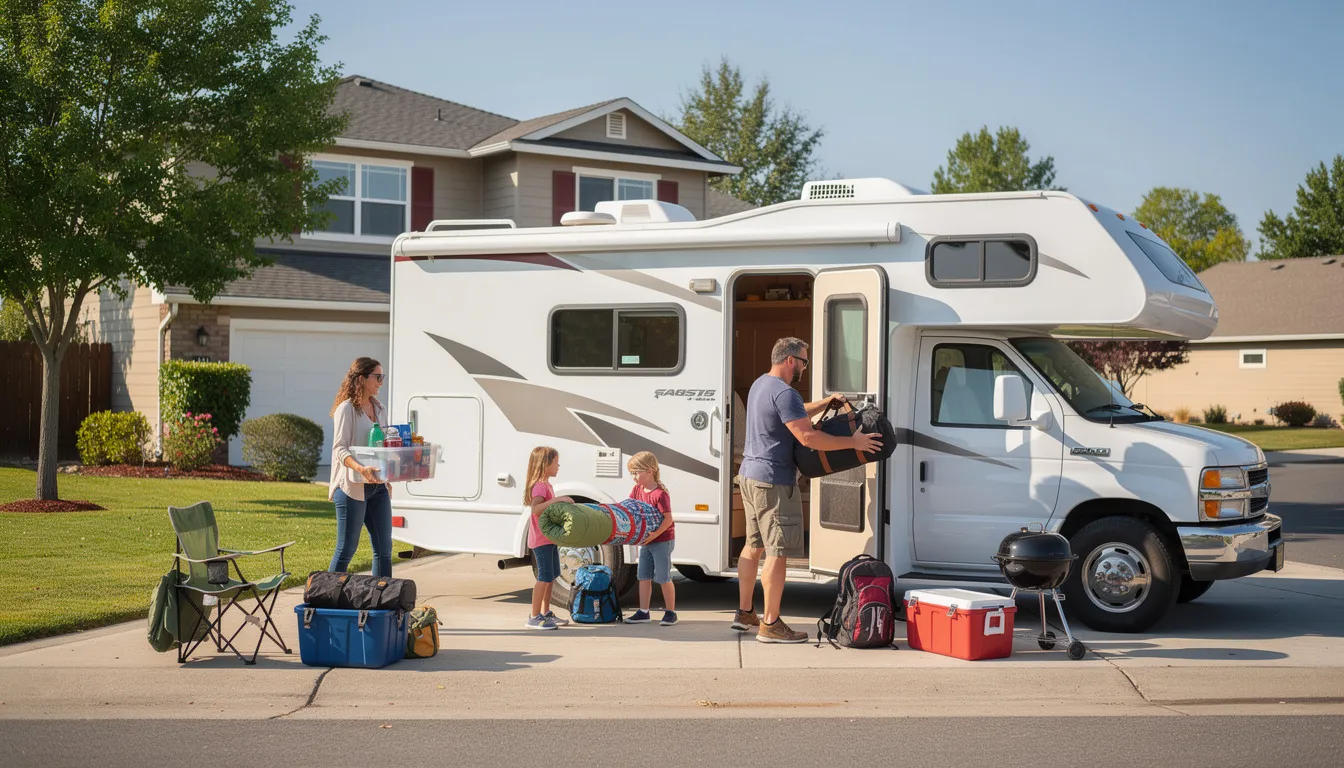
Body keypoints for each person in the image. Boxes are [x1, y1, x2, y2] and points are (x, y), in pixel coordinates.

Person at [733, 337, 882, 643]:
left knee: (753, 546)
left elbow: (794, 413)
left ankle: (746, 611)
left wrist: (825, 404)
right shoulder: (785, 392)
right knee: (777, 551)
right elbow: (807, 437)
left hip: (750, 475)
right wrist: (853, 443)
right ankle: (771, 624)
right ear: (790, 360)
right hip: (773, 481)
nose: (804, 366)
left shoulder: (763, 384)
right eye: (803, 361)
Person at [328, 357, 394, 578]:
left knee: (384, 550)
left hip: (377, 486)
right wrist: (361, 469)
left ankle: (383, 601)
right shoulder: (346, 409)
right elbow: (340, 449)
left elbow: (381, 448)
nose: (381, 382)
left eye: (382, 377)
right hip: (351, 487)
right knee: (346, 549)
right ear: (362, 378)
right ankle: (327, 599)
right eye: (378, 377)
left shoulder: (380, 408)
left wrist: (390, 476)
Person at [624, 451, 677, 626]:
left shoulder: (660, 494)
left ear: (650, 471)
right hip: (646, 541)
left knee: (662, 576)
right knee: (643, 576)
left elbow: (668, 519)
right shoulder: (637, 489)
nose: (633, 477)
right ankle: (644, 612)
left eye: (636, 472)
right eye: (632, 473)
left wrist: (655, 534)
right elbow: (631, 509)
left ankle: (671, 612)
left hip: (662, 541)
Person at [523, 446, 573, 630]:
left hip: (549, 539)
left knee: (551, 576)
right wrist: (558, 500)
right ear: (545, 464)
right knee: (544, 577)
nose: (558, 466)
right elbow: (535, 509)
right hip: (541, 540)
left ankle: (545, 613)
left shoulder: (546, 484)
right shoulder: (539, 486)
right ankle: (534, 616)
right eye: (555, 462)